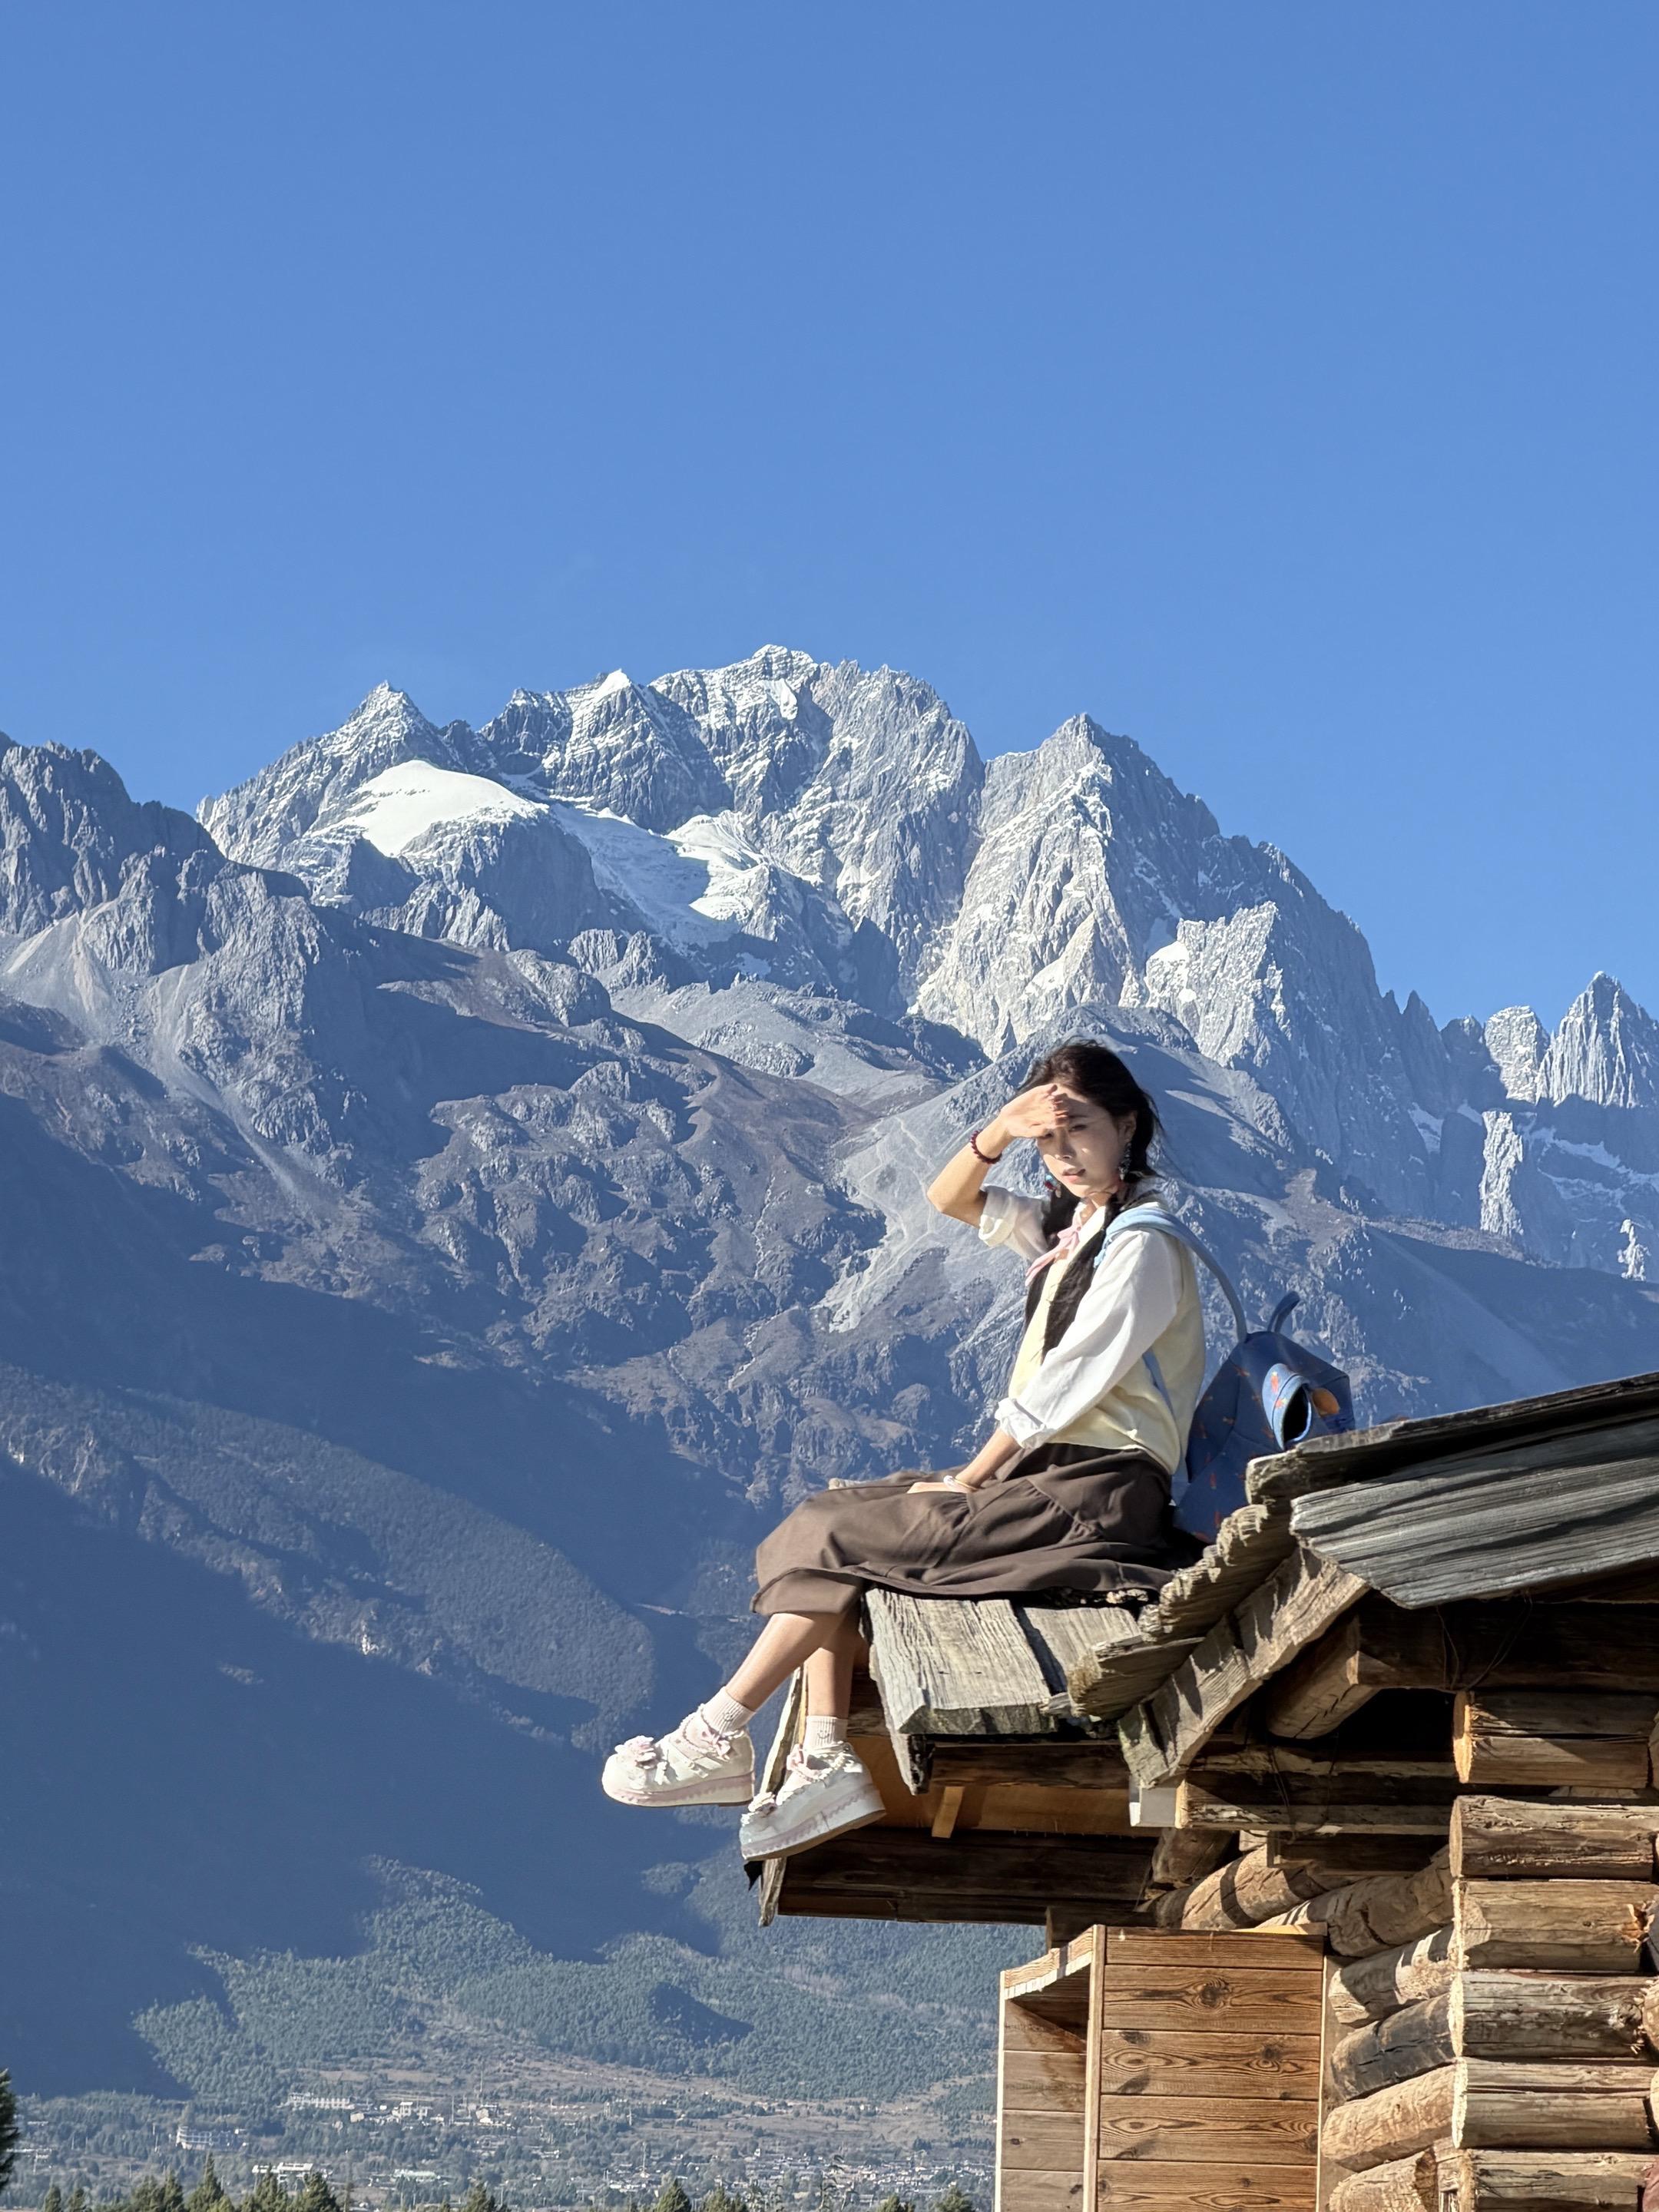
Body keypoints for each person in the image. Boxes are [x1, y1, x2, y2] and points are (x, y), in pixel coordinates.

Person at [601, 1039, 1206, 1861]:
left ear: (1127, 1125)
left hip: (1094, 1496)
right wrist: (1000, 1127)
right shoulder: (1070, 1231)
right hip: (1045, 1482)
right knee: (833, 1511)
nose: (1063, 1155)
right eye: (1049, 1141)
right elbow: (949, 1196)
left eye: (1080, 1131)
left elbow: (1065, 1386)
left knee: (843, 1538)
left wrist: (968, 1480)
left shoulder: (1145, 1246)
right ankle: (821, 1756)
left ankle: (720, 1732)